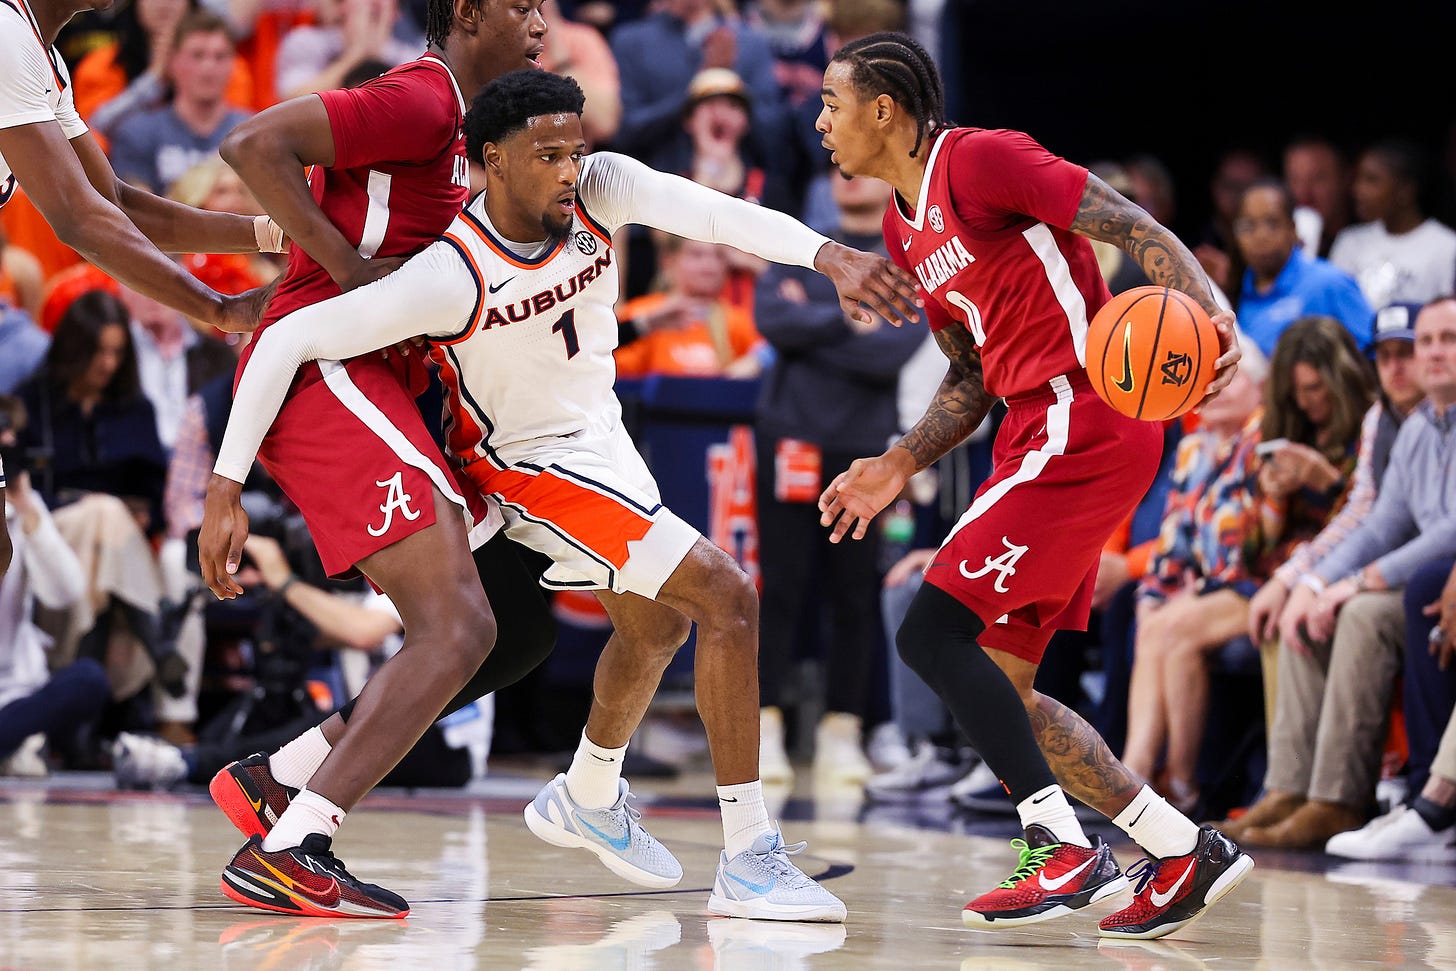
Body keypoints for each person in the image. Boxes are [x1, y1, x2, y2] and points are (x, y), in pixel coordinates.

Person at [201, 69, 920, 922]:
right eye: (547, 156)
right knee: (728, 596)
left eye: (574, 150)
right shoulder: (451, 271)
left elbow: (714, 213)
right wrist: (226, 485)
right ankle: (749, 856)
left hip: (605, 443)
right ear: (493, 161)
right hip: (528, 468)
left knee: (657, 625)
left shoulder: (600, 188)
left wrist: (828, 254)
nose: (569, 170)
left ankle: (588, 791)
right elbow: (287, 336)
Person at [812, 32, 1253, 939]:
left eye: (831, 103)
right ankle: (1180, 847)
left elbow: (1128, 222)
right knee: (1004, 687)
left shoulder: (983, 160)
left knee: (929, 630)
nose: (819, 122)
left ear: (883, 110)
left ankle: (1058, 843)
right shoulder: (901, 225)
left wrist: (1209, 309)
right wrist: (897, 463)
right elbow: (971, 373)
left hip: (1085, 414)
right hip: (1030, 428)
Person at [197, 0, 559, 920]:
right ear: (467, 12)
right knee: (457, 625)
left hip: (380, 378)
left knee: (514, 625)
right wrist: (345, 271)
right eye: (522, 5)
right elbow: (250, 144)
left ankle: (283, 777)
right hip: (326, 370)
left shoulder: (475, 128)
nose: (541, 22)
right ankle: (295, 846)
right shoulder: (422, 99)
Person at [1230, 297, 1456, 850]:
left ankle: (1338, 799)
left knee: (1360, 613)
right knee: (1302, 613)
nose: (1410, 362)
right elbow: (1375, 520)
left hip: (1419, 578)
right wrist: (1307, 582)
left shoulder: (1409, 417)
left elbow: (1447, 530)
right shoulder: (1413, 423)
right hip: (1407, 573)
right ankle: (1289, 789)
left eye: (1437, 342)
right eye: (1395, 352)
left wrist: (1351, 583)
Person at [751, 172, 926, 785]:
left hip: (862, 450)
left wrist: (812, 320)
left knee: (854, 592)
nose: (848, 176)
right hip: (788, 438)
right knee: (781, 586)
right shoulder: (805, 245)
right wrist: (850, 318)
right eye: (839, 169)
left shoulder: (907, 260)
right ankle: (762, 727)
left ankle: (843, 730)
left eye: (862, 170)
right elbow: (771, 320)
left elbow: (891, 352)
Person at [0, 0, 276, 335]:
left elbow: (118, 202)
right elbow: (77, 217)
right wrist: (220, 308)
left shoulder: (46, 57)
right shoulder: (7, 35)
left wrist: (273, 234)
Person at [106, 10, 252, 193]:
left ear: (233, 63)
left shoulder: (252, 134)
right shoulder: (137, 133)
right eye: (197, 55)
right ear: (171, 61)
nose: (209, 67)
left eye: (220, 56)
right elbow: (134, 205)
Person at [1232, 178, 1372, 357]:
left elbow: (1373, 351)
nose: (1260, 236)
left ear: (1292, 228)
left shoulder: (1329, 283)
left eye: (1272, 223)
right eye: (1248, 226)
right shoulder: (1237, 291)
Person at [1330, 139, 1456, 309]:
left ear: (1405, 190)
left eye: (1371, 180)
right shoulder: (1350, 241)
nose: (1358, 190)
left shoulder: (1447, 247)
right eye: (1358, 179)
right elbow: (1334, 305)